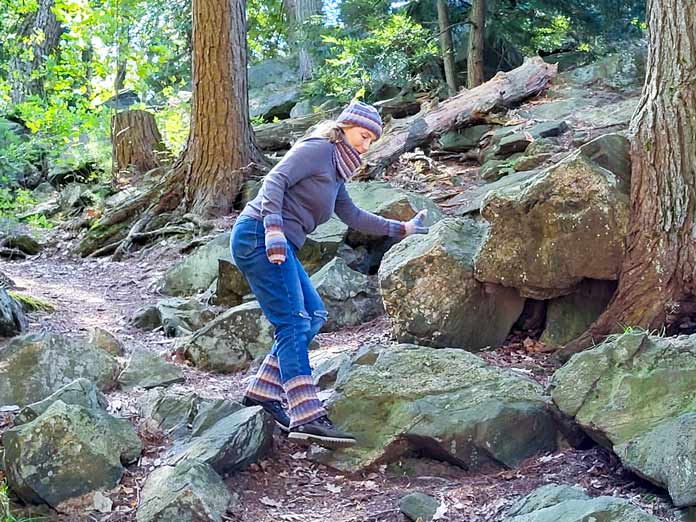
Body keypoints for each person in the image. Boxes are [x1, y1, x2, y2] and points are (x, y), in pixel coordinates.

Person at [231, 100, 429, 449]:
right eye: (363, 135)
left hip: (280, 244)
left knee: (314, 314)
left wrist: (402, 229)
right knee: (292, 321)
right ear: (345, 127)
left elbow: (353, 215)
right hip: (257, 236)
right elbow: (275, 180)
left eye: (371, 141)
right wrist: (274, 229)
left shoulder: (336, 171)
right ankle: (306, 415)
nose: (366, 145)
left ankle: (263, 392)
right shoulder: (319, 148)